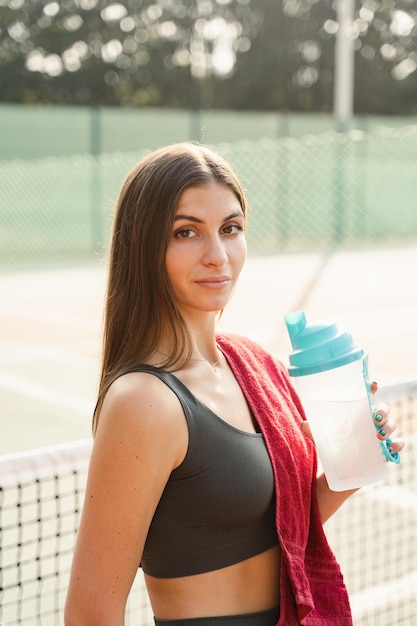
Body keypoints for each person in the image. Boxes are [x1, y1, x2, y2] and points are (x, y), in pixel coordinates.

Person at [64, 142, 404, 626]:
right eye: (186, 232)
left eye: (231, 229)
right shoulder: (144, 402)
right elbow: (90, 614)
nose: (217, 255)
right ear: (144, 246)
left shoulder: (255, 363)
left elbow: (278, 533)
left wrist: (352, 462)